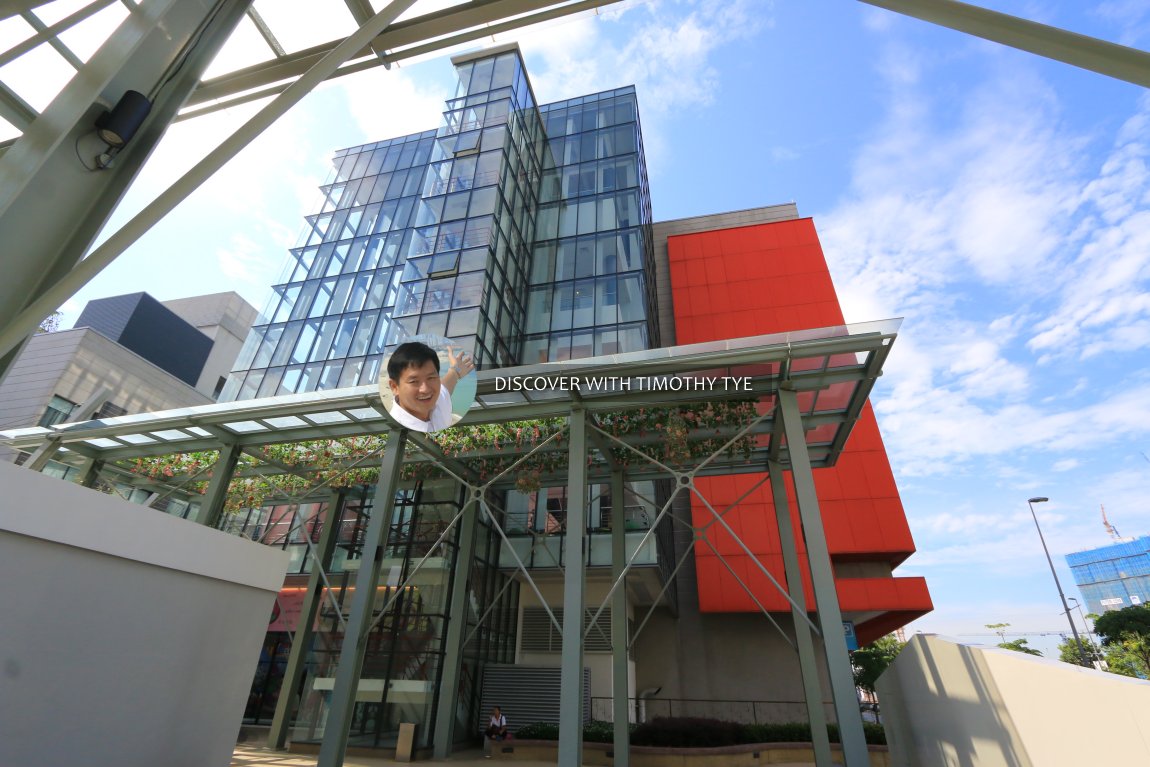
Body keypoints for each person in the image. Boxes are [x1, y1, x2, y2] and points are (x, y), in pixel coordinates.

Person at [385, 341, 474, 433]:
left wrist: (456, 369)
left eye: (431, 378)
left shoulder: (438, 401)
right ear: (394, 387)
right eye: (414, 381)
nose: (425, 389)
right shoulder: (396, 429)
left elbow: (447, 383)